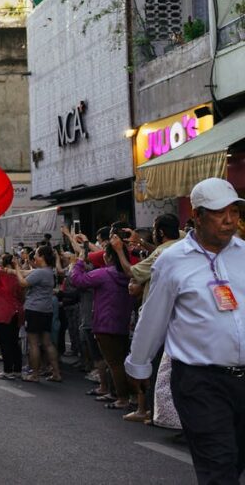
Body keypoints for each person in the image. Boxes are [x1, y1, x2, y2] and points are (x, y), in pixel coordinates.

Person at [126, 178, 245, 484]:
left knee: (235, 460)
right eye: (220, 213)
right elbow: (153, 317)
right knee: (218, 464)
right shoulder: (172, 260)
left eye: (234, 211)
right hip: (199, 381)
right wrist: (139, 364)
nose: (229, 220)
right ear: (198, 215)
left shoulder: (243, 253)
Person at [126, 214, 183, 426]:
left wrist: (120, 252)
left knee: (158, 369)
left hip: (160, 318)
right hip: (177, 322)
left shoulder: (163, 253)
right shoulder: (184, 243)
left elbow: (132, 272)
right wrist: (141, 242)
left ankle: (153, 412)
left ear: (160, 232)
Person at [69, 236, 135, 410]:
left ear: (110, 257)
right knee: (121, 361)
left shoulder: (104, 274)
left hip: (104, 323)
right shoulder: (128, 274)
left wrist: (78, 263)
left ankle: (122, 397)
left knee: (114, 363)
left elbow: (77, 280)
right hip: (122, 322)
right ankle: (126, 395)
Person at [13, 246, 61, 382]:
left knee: (33, 343)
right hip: (46, 310)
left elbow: (22, 283)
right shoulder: (48, 271)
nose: (34, 257)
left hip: (34, 310)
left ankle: (35, 374)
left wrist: (16, 267)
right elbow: (28, 272)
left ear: (43, 257)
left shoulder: (41, 272)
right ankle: (56, 373)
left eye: (37, 255)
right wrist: (14, 270)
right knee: (47, 343)